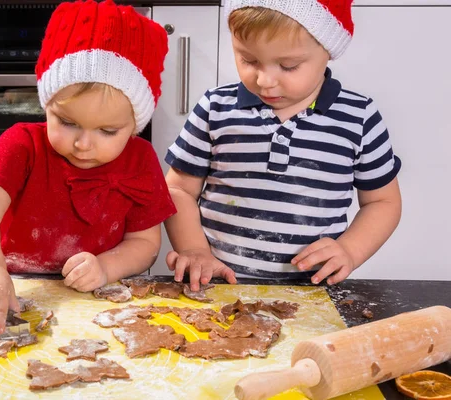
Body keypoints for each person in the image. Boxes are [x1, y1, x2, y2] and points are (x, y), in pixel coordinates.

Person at [0, 0, 175, 333]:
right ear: (47, 105)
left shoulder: (140, 160)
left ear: (135, 125)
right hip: (14, 288)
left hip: (102, 299)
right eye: (67, 122)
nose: (84, 144)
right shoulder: (22, 144)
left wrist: (104, 267)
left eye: (107, 131)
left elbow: (145, 243)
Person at [164, 0, 402, 290]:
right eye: (248, 60)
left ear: (327, 52)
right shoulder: (216, 108)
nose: (265, 81)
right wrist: (194, 250)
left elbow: (382, 202)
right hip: (219, 285)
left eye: (288, 66)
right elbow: (178, 190)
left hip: (310, 292)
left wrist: (351, 250)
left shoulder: (358, 117)